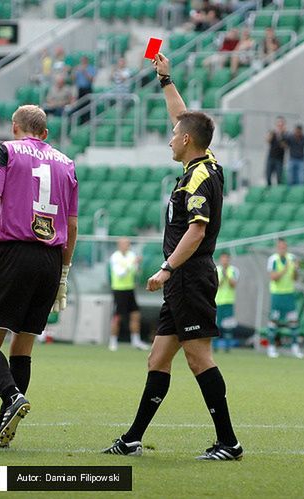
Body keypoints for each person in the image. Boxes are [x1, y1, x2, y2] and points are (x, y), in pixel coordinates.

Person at [103, 52, 242, 461]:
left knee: (199, 360)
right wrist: (165, 80)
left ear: (185, 141)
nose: (169, 137)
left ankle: (229, 443)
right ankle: (132, 438)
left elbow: (196, 232)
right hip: (184, 278)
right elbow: (184, 118)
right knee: (158, 357)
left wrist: (166, 269)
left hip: (189, 275)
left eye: (173, 134)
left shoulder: (199, 176)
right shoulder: (205, 159)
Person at [0, 104, 78, 448]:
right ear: (45, 133)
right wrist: (63, 273)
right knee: (24, 346)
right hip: (50, 259)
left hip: (15, 252)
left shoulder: (6, 150)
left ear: (15, 127)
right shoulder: (67, 163)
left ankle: (12, 396)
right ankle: (5, 425)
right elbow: (72, 225)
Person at [109, 237, 149, 352]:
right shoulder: (115, 257)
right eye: (124, 244)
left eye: (128, 244)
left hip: (130, 289)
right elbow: (120, 273)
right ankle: (113, 341)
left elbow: (135, 271)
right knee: (118, 316)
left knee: (135, 314)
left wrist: (137, 267)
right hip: (119, 290)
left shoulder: (131, 255)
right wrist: (133, 264)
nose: (127, 246)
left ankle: (136, 340)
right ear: (119, 245)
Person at [266, 239, 304, 359]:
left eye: (284, 247)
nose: (282, 249)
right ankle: (271, 348)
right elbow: (273, 277)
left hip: (289, 294)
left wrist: (296, 269)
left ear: (286, 247)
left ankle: (295, 347)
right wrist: (286, 268)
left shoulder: (292, 258)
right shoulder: (273, 259)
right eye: (280, 247)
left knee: (293, 322)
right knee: (274, 322)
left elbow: (295, 278)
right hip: (277, 295)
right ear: (277, 248)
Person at [215, 252, 239, 352]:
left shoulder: (233, 270)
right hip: (217, 301)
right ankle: (214, 347)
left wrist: (227, 276)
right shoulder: (216, 270)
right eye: (223, 259)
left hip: (228, 301)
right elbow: (216, 284)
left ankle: (227, 348)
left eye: (226, 259)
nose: (225, 261)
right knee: (216, 325)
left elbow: (233, 284)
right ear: (221, 259)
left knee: (228, 326)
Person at [265, 116, 288, 186]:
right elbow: (267, 140)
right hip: (271, 157)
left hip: (279, 159)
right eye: (278, 123)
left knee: (279, 177)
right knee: (268, 176)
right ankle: (269, 189)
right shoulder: (272, 133)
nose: (280, 125)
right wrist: (273, 134)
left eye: (281, 123)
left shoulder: (286, 135)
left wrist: (280, 136)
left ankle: (278, 192)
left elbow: (285, 146)